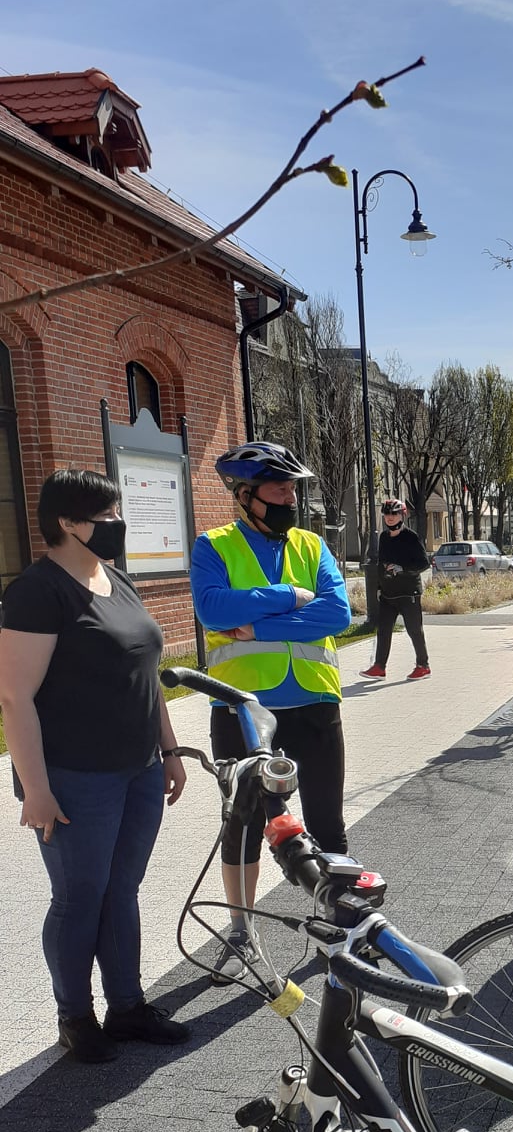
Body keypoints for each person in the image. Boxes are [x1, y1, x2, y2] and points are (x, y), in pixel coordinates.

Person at [0, 470, 189, 1061]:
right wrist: (36, 789)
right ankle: (75, 1016)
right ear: (65, 523)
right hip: (73, 777)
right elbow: (15, 697)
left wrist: (170, 748)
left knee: (121, 890)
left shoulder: (116, 580)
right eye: (104, 516)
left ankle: (127, 1007)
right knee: (80, 895)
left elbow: (145, 674)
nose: (115, 525)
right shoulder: (38, 590)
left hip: (137, 769)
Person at [190, 441, 351, 982]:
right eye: (280, 489)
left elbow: (337, 614)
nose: (291, 497)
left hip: (314, 701)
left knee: (328, 819)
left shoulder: (311, 544)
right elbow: (212, 608)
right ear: (246, 496)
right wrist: (289, 595)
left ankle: (342, 920)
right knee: (243, 824)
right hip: (242, 708)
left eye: (292, 488)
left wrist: (257, 624)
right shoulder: (212, 546)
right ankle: (240, 930)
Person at [362, 498, 431, 681]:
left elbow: (424, 563)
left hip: (409, 593)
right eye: (387, 514)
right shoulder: (384, 537)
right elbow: (381, 563)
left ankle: (423, 665)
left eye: (394, 513)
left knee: (414, 630)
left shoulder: (411, 537)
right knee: (383, 630)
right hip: (388, 594)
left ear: (402, 515)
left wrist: (403, 569)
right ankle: (379, 667)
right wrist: (378, 586)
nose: (390, 517)